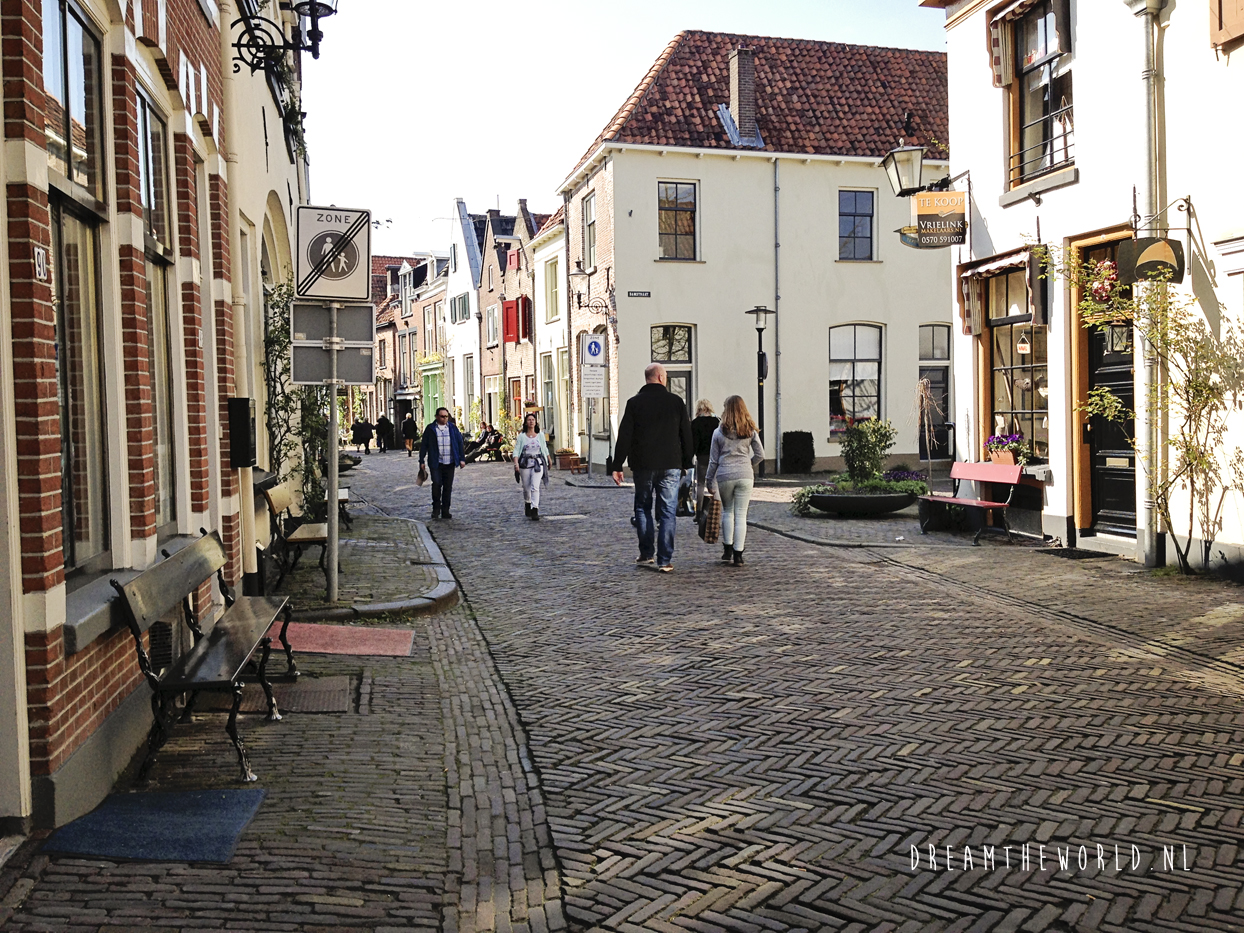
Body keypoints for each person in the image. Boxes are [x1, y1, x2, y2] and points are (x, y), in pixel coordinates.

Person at [612, 363, 694, 572]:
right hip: (670, 464)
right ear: (660, 377)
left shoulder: (634, 403)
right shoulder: (676, 402)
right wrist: (686, 462)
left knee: (643, 507)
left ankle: (646, 553)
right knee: (668, 511)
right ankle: (664, 560)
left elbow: (625, 435)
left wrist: (617, 464)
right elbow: (686, 434)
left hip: (643, 465)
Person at [704, 395, 765, 567]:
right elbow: (761, 455)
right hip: (745, 475)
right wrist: (748, 465)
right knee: (741, 515)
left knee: (728, 512)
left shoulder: (718, 433)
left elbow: (713, 460)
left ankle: (727, 549)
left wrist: (709, 481)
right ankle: (739, 554)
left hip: (725, 475)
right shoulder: (750, 431)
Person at [419, 408, 465, 519]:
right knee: (436, 484)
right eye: (442, 416)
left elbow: (459, 443)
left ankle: (445, 510)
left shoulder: (453, 428)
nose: (445, 419)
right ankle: (436, 509)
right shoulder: (430, 429)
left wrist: (462, 458)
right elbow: (424, 445)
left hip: (450, 462)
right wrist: (421, 461)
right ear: (437, 417)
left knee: (447, 487)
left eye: (446, 416)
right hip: (436, 462)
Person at [513, 413, 551, 520]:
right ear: (526, 422)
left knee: (535, 486)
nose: (531, 421)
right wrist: (516, 463)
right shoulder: (522, 437)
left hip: (537, 463)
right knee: (526, 487)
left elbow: (544, 448)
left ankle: (535, 509)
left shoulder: (540, 435)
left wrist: (548, 459)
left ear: (535, 422)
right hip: (525, 463)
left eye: (533, 420)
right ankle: (528, 502)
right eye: (529, 420)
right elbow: (516, 451)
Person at [691, 399, 720, 506]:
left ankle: (699, 510)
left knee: (700, 484)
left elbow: (694, 442)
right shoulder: (717, 421)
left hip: (702, 456)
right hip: (715, 456)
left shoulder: (695, 423)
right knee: (714, 483)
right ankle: (716, 509)